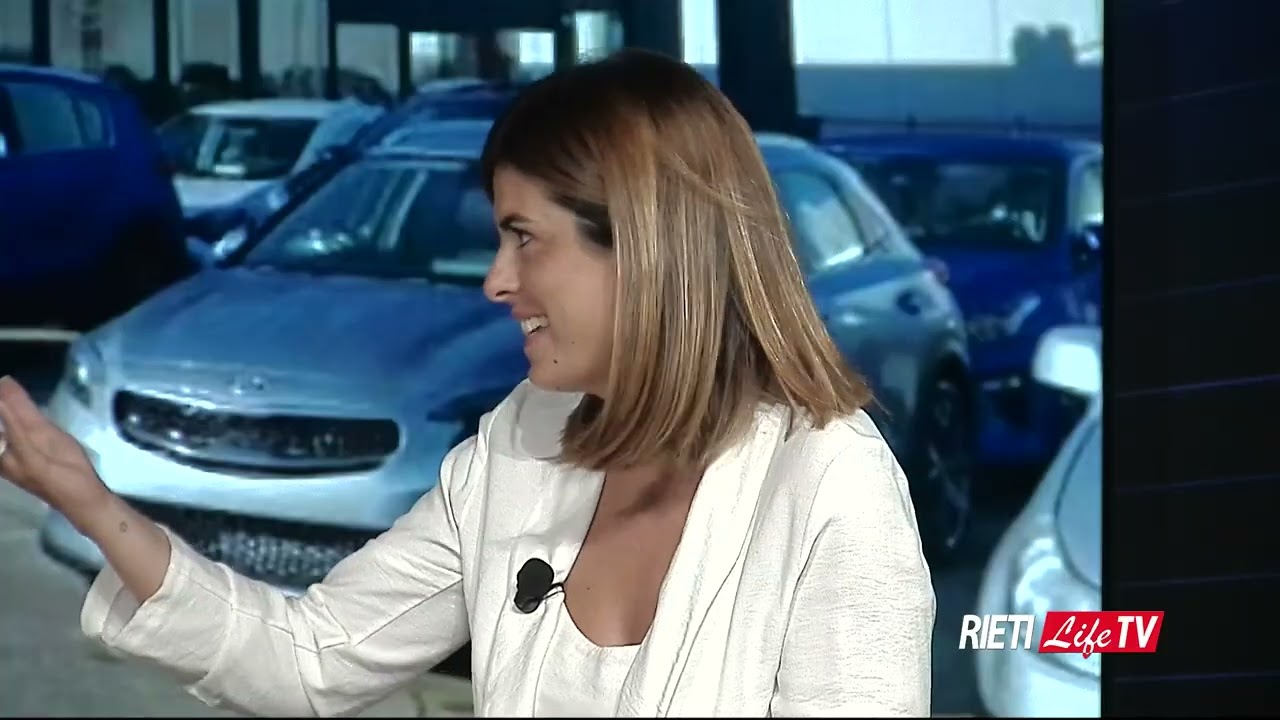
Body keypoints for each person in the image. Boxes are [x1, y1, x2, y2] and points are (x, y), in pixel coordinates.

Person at [0, 49, 936, 717]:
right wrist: (93, 505)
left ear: (649, 251)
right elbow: (309, 659)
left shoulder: (830, 488)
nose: (495, 280)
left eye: (525, 238)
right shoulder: (525, 439)